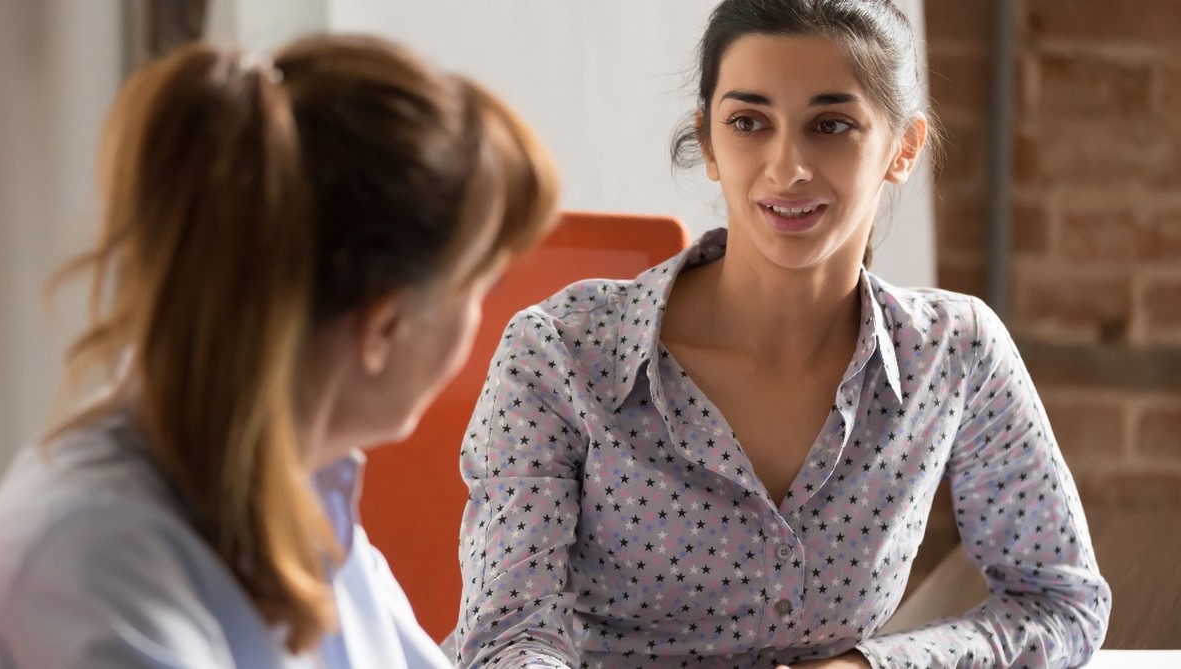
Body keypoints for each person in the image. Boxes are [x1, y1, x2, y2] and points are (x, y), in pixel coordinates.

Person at [453, 1, 1110, 667]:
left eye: (831, 124)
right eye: (748, 123)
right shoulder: (560, 353)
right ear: (708, 143)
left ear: (902, 148)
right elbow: (508, 636)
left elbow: (1058, 600)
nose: (788, 166)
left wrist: (867, 667)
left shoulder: (955, 351)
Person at [0, 33, 558, 668]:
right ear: (385, 325)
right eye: (480, 286)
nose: (482, 323)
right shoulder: (91, 564)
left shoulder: (304, 506)